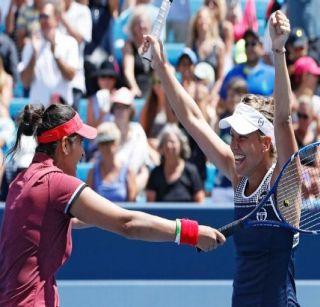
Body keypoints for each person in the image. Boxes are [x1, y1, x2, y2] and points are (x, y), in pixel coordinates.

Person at [142, 10, 300, 307]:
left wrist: (277, 50)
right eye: (233, 136)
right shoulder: (238, 175)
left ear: (266, 143)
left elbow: (282, 120)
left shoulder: (284, 182)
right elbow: (192, 119)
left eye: (243, 137)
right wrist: (161, 65)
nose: (234, 144)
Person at [0, 103, 225, 306]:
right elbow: (127, 223)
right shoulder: (56, 182)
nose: (83, 153)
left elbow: (64, 222)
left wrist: (101, 217)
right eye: (81, 142)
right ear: (65, 145)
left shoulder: (22, 180)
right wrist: (191, 233)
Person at [19, 1, 79, 107]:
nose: (42, 20)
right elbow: (25, 82)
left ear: (57, 19)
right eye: (40, 16)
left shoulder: (70, 43)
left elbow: (70, 76)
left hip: (61, 111)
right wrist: (34, 54)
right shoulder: (31, 45)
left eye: (46, 16)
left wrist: (55, 53)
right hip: (38, 112)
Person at [146, 124, 205, 203]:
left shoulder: (191, 171)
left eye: (173, 142)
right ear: (161, 147)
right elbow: (150, 204)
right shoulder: (155, 174)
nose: (169, 146)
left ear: (181, 145)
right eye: (166, 142)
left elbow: (200, 201)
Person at [87, 121, 137, 202]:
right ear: (98, 146)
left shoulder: (128, 171)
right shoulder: (92, 173)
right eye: (102, 143)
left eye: (110, 141)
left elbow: (133, 203)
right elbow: (88, 202)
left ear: (117, 142)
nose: (107, 147)